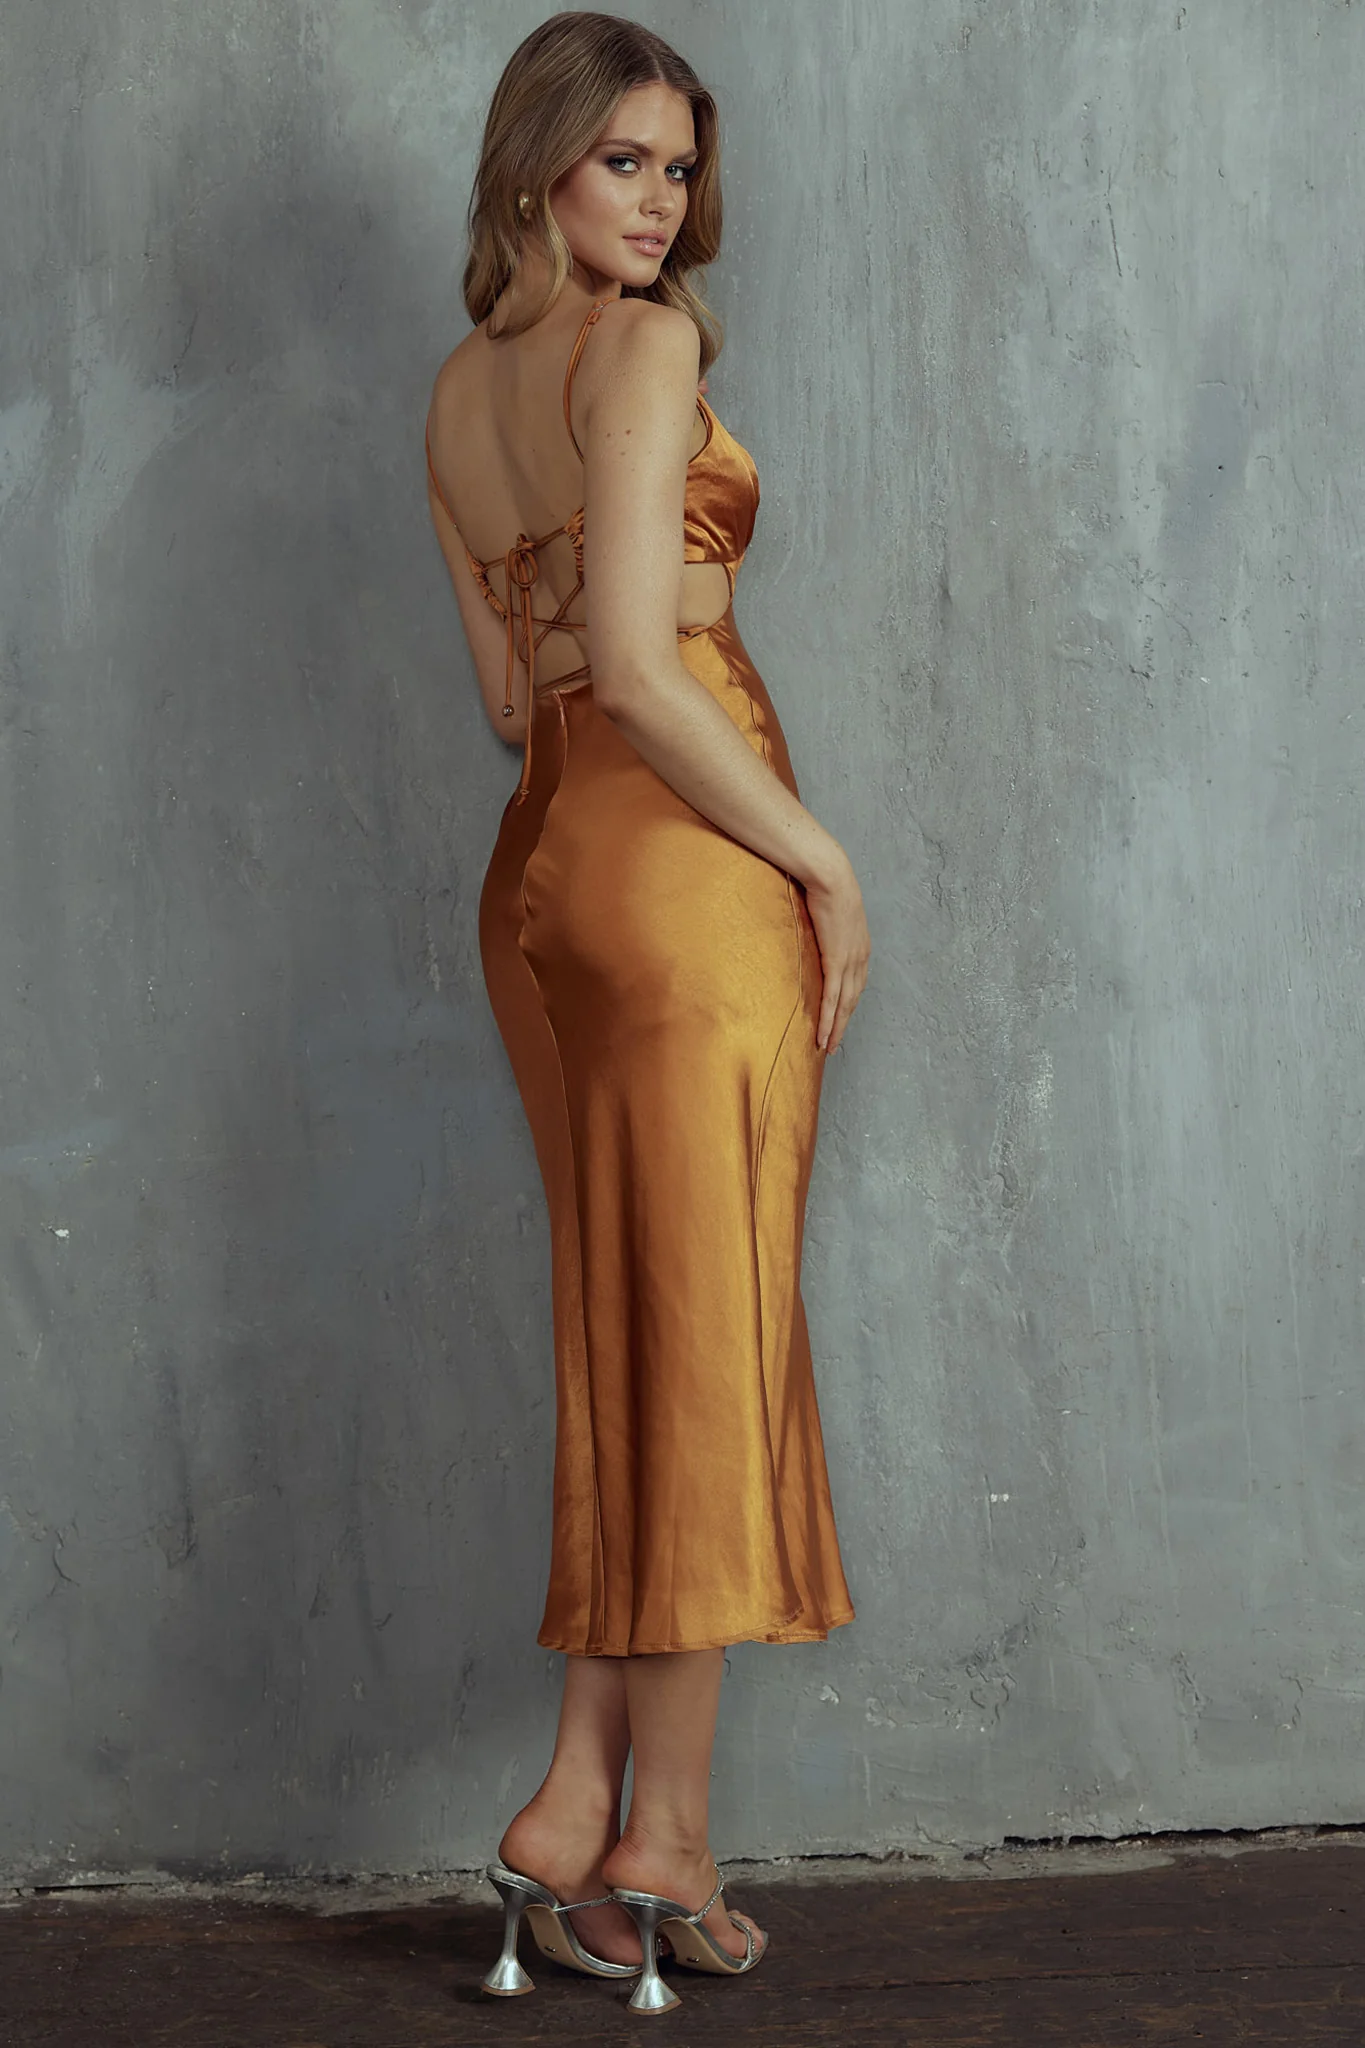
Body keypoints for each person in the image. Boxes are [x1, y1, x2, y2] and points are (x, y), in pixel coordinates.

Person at [423, 10, 870, 2015]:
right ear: (537, 163)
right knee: (703, 1343)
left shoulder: (456, 396)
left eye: (680, 169)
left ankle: (574, 1807)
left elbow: (511, 694)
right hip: (684, 864)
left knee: (632, 1331)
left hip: (542, 876)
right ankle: (664, 1837)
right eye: (625, 161)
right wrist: (821, 856)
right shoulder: (649, 348)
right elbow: (633, 659)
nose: (663, 202)